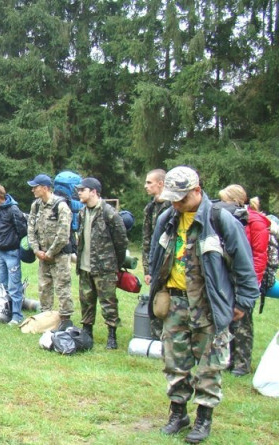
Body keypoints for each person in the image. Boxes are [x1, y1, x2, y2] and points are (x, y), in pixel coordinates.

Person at [148, 166, 258, 443]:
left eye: (181, 198)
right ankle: (178, 414)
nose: (176, 204)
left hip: (208, 304)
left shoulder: (220, 219)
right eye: (172, 199)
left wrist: (244, 301)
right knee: (174, 362)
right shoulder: (167, 218)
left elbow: (244, 264)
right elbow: (155, 254)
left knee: (210, 365)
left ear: (197, 190)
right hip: (174, 302)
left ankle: (203, 419)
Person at [218, 184, 269, 377]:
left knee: (243, 322)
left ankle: (242, 364)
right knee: (229, 318)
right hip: (228, 275)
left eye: (225, 201)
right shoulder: (228, 218)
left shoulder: (255, 222)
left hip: (246, 278)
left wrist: (252, 283)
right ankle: (229, 359)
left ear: (236, 201)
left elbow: (259, 255)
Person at [76, 177, 128, 349]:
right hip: (85, 266)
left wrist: (114, 264)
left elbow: (121, 241)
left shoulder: (109, 213)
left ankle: (112, 336)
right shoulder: (82, 212)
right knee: (86, 301)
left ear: (93, 192)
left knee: (108, 302)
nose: (79, 193)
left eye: (82, 190)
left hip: (105, 267)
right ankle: (87, 331)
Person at [27, 174, 74, 330]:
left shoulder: (61, 206)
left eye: (35, 187)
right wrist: (36, 250)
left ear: (45, 188)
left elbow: (63, 234)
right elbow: (30, 230)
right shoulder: (36, 206)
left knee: (62, 287)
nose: (33, 190)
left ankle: (65, 321)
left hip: (59, 256)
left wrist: (50, 252)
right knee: (44, 287)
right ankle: (46, 317)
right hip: (42, 255)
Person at [0, 184, 27, 324]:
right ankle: (2, 311)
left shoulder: (13, 210)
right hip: (0, 251)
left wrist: (13, 242)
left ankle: (17, 315)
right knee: (1, 283)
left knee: (14, 285)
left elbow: (22, 230)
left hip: (12, 252)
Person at [142, 169, 170, 339]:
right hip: (155, 262)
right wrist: (148, 269)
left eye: (149, 182)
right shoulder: (150, 208)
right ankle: (156, 338)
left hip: (170, 262)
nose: (146, 186)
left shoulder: (173, 206)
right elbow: (147, 240)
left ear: (161, 183)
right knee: (156, 300)